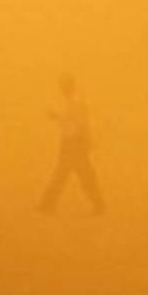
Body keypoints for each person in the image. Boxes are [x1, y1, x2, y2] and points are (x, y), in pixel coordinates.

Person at [38, 72, 105, 216]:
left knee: (80, 174)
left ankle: (98, 204)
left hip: (75, 143)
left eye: (64, 86)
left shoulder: (77, 102)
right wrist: (57, 117)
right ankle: (48, 203)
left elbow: (81, 123)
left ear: (70, 86)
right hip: (69, 143)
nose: (62, 89)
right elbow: (69, 119)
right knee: (68, 173)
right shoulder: (70, 102)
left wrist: (86, 142)